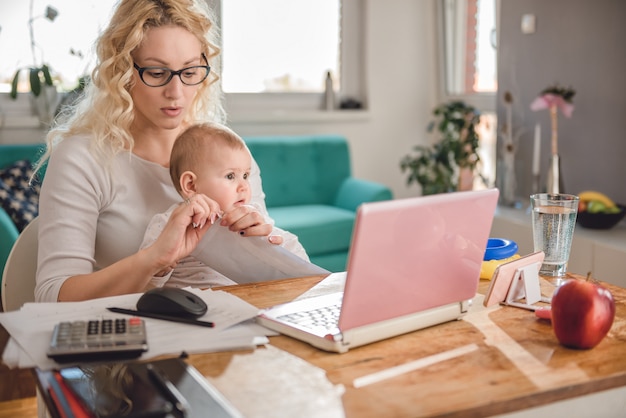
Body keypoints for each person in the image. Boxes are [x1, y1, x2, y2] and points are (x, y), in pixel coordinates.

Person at [34, 0, 296, 302]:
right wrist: (154, 258)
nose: (176, 93)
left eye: (190, 72)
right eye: (157, 73)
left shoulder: (225, 153)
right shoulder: (82, 158)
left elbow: (258, 276)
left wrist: (262, 247)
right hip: (128, 333)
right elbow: (52, 297)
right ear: (122, 71)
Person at [140, 122, 309, 289]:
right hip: (191, 310)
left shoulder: (249, 221)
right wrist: (160, 269)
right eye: (230, 176)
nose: (243, 186)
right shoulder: (168, 224)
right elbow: (145, 283)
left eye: (245, 175)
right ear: (191, 185)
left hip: (246, 305)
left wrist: (274, 248)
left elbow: (304, 267)